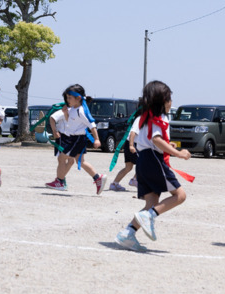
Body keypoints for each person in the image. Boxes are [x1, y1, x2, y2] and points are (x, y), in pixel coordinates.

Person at [115, 80, 191, 252]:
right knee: (180, 196)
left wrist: (168, 145)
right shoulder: (159, 118)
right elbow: (156, 140)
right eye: (169, 99)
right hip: (153, 160)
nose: (171, 103)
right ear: (162, 101)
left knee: (152, 202)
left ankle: (127, 233)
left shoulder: (145, 117)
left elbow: (153, 139)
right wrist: (178, 153)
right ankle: (148, 216)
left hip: (143, 161)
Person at [45, 85, 103, 193]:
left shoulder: (81, 111)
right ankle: (97, 178)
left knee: (61, 158)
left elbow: (92, 125)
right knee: (81, 161)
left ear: (78, 98)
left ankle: (60, 182)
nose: (67, 100)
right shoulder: (72, 109)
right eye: (67, 98)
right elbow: (70, 122)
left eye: (69, 98)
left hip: (77, 139)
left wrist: (97, 139)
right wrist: (66, 113)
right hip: (74, 138)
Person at [109, 128, 138, 192]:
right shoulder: (139, 119)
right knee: (143, 164)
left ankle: (114, 184)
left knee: (128, 167)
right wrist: (131, 145)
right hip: (133, 144)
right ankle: (135, 180)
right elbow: (132, 132)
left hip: (131, 144)